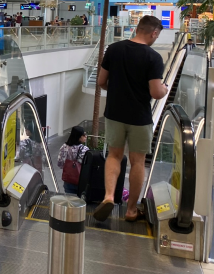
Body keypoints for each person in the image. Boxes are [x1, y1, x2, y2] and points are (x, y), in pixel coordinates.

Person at [94, 15, 168, 222]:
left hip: (114, 113)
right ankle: (131, 210)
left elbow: (101, 81)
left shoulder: (114, 49)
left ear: (137, 28)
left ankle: (108, 196)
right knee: (137, 162)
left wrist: (117, 89)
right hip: (139, 117)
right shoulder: (153, 57)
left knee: (114, 155)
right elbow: (155, 92)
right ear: (154, 33)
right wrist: (165, 89)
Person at [57, 126, 89, 194]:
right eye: (83, 135)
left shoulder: (64, 147)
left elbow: (60, 164)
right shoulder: (85, 149)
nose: (86, 136)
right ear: (79, 137)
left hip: (68, 180)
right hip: (80, 181)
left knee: (69, 201)